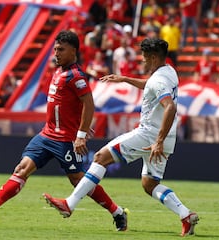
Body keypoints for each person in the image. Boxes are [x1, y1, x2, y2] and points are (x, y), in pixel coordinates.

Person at [0, 30, 129, 231]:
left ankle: (117, 212)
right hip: (46, 134)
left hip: (66, 140)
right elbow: (69, 105)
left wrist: (81, 134)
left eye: (61, 49)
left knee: (78, 180)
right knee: (21, 168)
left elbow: (89, 104)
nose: (56, 53)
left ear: (73, 51)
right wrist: (79, 122)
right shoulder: (58, 71)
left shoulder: (76, 76)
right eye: (55, 49)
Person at [43, 38, 199, 237]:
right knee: (150, 184)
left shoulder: (159, 79)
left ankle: (70, 204)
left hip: (150, 135)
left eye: (144, 57)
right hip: (167, 137)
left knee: (100, 157)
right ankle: (186, 215)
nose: (142, 61)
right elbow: (151, 86)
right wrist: (125, 79)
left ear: (152, 57)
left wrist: (157, 141)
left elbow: (170, 106)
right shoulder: (168, 71)